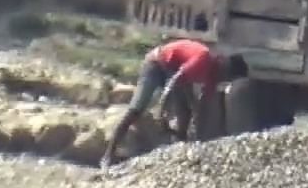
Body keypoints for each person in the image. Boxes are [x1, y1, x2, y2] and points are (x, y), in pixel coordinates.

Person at [101, 39, 247, 168]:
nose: (224, 79)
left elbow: (203, 105)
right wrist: (161, 109)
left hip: (177, 72)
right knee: (137, 109)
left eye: (228, 79)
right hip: (157, 63)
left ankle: (179, 152)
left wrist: (199, 132)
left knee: (187, 113)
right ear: (224, 65)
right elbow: (176, 80)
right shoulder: (204, 58)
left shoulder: (216, 76)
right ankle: (108, 155)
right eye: (227, 75)